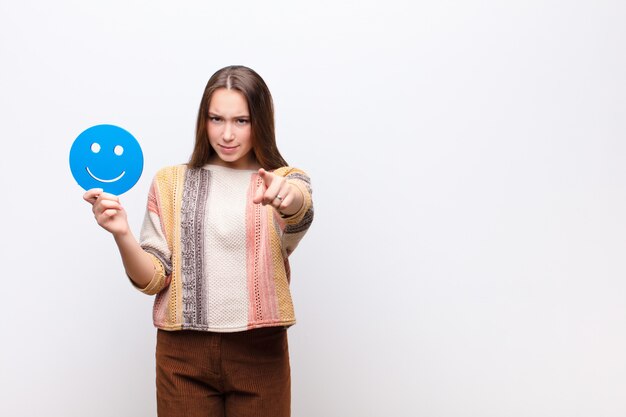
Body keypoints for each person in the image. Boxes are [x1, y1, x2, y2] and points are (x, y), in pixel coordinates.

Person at [83, 65, 313, 417]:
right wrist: (122, 233)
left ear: (261, 122)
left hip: (260, 350)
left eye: (241, 121)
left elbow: (300, 208)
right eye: (216, 118)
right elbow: (154, 278)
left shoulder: (281, 180)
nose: (227, 134)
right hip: (182, 354)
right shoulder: (170, 182)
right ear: (203, 120)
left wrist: (288, 198)